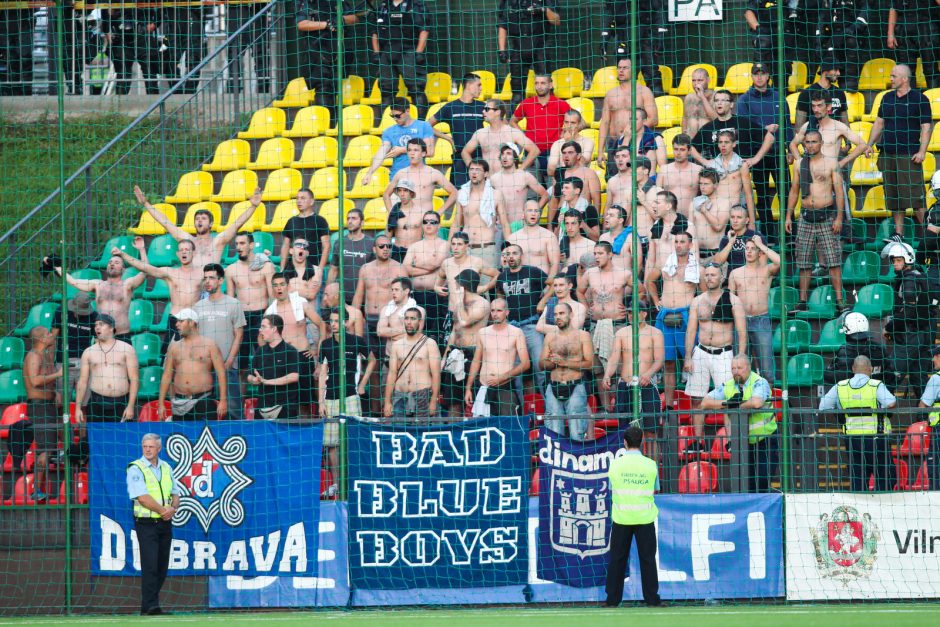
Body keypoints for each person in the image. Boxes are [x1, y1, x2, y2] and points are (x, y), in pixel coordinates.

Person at [868, 64, 935, 237]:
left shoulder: (919, 99)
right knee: (894, 198)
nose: (890, 79)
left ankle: (931, 235)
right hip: (887, 154)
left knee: (916, 199)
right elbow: (879, 122)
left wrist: (922, 151)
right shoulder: (887, 97)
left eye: (893, 76)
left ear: (904, 78)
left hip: (908, 156)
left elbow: (926, 127)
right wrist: (869, 143)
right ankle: (899, 234)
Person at [786, 130, 848, 314]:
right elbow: (794, 191)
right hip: (805, 217)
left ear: (821, 143)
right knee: (804, 261)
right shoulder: (799, 164)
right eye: (807, 142)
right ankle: (802, 301)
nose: (810, 145)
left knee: (834, 261)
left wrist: (839, 217)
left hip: (826, 217)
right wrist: (789, 215)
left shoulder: (831, 163)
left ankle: (839, 300)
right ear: (803, 144)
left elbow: (839, 191)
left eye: (814, 141)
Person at [789, 91, 871, 228]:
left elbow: (862, 144)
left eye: (820, 105)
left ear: (828, 107)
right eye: (813, 106)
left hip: (833, 179)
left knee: (840, 221)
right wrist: (802, 163)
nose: (816, 109)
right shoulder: (808, 126)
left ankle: (842, 245)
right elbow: (792, 144)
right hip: (813, 180)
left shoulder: (838, 126)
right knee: (812, 216)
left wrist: (843, 162)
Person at [684, 263, 748, 437]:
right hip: (701, 352)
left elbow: (742, 332)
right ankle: (698, 441)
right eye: (707, 275)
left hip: (723, 354)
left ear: (721, 278)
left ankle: (729, 441)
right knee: (696, 399)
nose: (709, 278)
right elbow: (691, 331)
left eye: (713, 275)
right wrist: (688, 357)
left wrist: (740, 357)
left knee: (728, 399)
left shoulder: (733, 300)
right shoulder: (697, 301)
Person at [699, 354, 778, 492]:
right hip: (742, 442)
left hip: (765, 439)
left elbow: (757, 402)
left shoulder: (760, 382)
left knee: (763, 479)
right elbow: (705, 403)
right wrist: (726, 403)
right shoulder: (729, 385)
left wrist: (737, 406)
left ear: (749, 367)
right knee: (746, 481)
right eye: (733, 368)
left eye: (739, 368)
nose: (736, 371)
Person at [135, 185, 261, 271]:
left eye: (203, 218)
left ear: (211, 224)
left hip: (210, 290)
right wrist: (146, 204)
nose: (199, 220)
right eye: (197, 218)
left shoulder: (217, 242)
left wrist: (253, 206)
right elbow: (166, 223)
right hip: (191, 289)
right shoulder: (188, 241)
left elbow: (236, 224)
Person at [819, 355, 897, 491]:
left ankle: (862, 508)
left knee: (858, 479)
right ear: (870, 369)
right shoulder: (876, 385)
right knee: (885, 477)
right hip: (876, 438)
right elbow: (891, 403)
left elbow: (823, 406)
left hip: (852, 439)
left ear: (853, 368)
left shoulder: (840, 386)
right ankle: (882, 507)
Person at [605, 426, 663, 608]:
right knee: (647, 559)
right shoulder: (650, 465)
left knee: (617, 560)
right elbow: (656, 488)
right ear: (642, 442)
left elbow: (610, 487)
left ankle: (612, 600)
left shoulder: (615, 465)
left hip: (622, 518)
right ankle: (652, 599)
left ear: (625, 442)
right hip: (645, 518)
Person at [319, 308, 376, 490]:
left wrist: (362, 385)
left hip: (351, 396)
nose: (333, 324)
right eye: (331, 321)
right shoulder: (326, 344)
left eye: (337, 321)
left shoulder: (356, 341)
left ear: (345, 322)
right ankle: (336, 483)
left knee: (353, 440)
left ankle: (354, 481)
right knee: (332, 445)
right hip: (330, 398)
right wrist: (321, 401)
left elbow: (372, 360)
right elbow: (322, 373)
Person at [735, 62, 790, 244]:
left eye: (762, 73)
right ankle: (770, 236)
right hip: (756, 155)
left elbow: (787, 125)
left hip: (778, 154)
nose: (759, 77)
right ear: (752, 76)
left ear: (768, 76)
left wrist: (789, 148)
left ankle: (788, 234)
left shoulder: (778, 98)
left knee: (786, 193)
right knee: (763, 195)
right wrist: (763, 129)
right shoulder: (744, 100)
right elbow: (742, 128)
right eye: (756, 73)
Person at [127, 433, 181, 615]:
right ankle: (151, 606)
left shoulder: (166, 467)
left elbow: (175, 493)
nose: (147, 449)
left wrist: (172, 508)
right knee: (150, 565)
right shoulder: (136, 468)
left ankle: (149, 604)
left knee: (161, 566)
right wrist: (162, 510)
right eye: (145, 446)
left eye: (151, 446)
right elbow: (142, 497)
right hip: (146, 523)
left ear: (159, 449)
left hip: (165, 522)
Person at [646, 230, 699, 407]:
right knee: (668, 362)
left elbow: (705, 294)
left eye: (682, 242)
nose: (678, 245)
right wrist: (656, 300)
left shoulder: (697, 267)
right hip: (666, 314)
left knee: (692, 362)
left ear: (690, 245)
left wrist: (696, 310)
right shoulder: (665, 263)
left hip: (686, 316)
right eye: (676, 242)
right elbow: (649, 281)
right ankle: (668, 405)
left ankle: (695, 406)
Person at [115, 239, 203, 341]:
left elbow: (221, 275)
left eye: (187, 249)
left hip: (194, 320)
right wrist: (123, 254)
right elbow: (145, 268)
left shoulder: (202, 273)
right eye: (181, 250)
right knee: (170, 354)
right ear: (177, 254)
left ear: (194, 253)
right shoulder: (170, 272)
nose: (183, 252)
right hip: (176, 319)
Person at [265, 273, 325, 414]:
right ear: (272, 288)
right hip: (282, 358)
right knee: (284, 403)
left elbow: (322, 325)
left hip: (302, 356)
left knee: (305, 402)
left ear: (288, 286)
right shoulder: (270, 311)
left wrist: (317, 350)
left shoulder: (301, 303)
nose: (279, 288)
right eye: (275, 285)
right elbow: (263, 339)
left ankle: (307, 434)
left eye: (282, 284)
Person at [193, 264, 246, 421]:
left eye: (211, 278)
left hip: (226, 366)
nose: (207, 281)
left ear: (221, 280)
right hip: (204, 369)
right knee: (205, 412)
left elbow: (239, 334)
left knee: (233, 411)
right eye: (205, 278)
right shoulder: (198, 306)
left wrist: (230, 360)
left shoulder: (233, 303)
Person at [603, 301, 665, 433]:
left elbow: (659, 360)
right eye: (629, 312)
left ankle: (651, 454)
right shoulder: (621, 333)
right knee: (625, 431)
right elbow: (614, 358)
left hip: (646, 384)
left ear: (644, 313)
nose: (631, 315)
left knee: (651, 430)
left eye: (634, 312)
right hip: (625, 385)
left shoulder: (655, 333)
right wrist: (607, 375)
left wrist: (648, 374)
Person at [56, 253, 145, 342]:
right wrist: (56, 266)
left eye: (117, 262)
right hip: (102, 337)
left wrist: (142, 249)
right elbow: (73, 281)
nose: (112, 264)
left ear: (123, 269)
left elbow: (145, 271)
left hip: (122, 335)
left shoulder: (127, 285)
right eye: (110, 262)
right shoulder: (97, 284)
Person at [158, 309, 227, 421]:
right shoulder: (174, 347)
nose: (177, 324)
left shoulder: (210, 345)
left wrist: (223, 400)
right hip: (179, 402)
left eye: (181, 321)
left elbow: (221, 373)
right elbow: (166, 376)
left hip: (203, 400)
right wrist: (161, 403)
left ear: (192, 323)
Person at [296, 0, 361, 120]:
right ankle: (325, 123)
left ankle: (335, 125)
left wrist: (340, 20)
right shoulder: (308, 3)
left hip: (339, 50)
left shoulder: (337, 2)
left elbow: (355, 18)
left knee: (335, 86)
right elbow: (301, 24)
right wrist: (326, 24)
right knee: (323, 86)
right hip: (317, 50)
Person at [728, 236, 780, 384]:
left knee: (767, 369)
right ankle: (744, 401)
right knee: (741, 367)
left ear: (759, 253)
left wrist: (761, 245)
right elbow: (730, 301)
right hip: (741, 322)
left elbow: (780, 261)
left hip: (761, 320)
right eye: (747, 249)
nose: (749, 252)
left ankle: (767, 402)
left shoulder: (766, 270)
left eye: (753, 249)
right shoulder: (735, 273)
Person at [465, 298, 530, 417]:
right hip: (483, 387)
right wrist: (468, 387)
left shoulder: (516, 332)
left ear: (507, 312)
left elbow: (526, 364)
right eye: (492, 311)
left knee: (508, 427)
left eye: (499, 310)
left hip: (505, 386)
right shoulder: (482, 332)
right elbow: (476, 361)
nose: (495, 314)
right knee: (481, 429)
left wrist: (501, 378)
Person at [499, 244, 549, 394]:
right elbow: (500, 296)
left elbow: (552, 284)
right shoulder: (502, 277)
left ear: (521, 256)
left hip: (531, 325)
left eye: (514, 253)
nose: (511, 257)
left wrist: (543, 300)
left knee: (540, 368)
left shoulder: (532, 272)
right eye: (508, 254)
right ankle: (518, 414)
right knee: (514, 372)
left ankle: (550, 411)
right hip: (512, 328)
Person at [883, 241, 933, 391]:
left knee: (890, 376)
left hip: (910, 337)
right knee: (919, 378)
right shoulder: (920, 276)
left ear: (908, 260)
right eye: (894, 261)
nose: (895, 264)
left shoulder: (909, 280)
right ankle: (924, 415)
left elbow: (908, 312)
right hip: (923, 334)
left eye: (898, 260)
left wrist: (889, 328)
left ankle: (881, 414)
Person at [441, 269, 492, 418]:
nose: (455, 288)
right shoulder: (459, 305)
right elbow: (455, 331)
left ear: (463, 286)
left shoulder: (482, 303)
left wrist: (458, 300)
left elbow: (465, 321)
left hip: (474, 355)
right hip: (455, 354)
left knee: (472, 400)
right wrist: (445, 356)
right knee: (453, 400)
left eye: (457, 284)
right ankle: (453, 432)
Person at [540, 303, 593, 439]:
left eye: (562, 313)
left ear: (571, 314)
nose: (558, 317)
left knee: (577, 433)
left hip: (576, 385)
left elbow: (589, 364)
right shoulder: (550, 337)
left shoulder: (583, 336)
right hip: (553, 386)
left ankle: (577, 459)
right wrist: (553, 362)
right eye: (556, 314)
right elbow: (541, 364)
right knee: (554, 434)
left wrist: (564, 362)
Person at [689, 90, 775, 175]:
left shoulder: (743, 122)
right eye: (716, 100)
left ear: (731, 104)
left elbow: (770, 137)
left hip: (741, 173)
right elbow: (691, 147)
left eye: (723, 100)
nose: (719, 103)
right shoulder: (708, 127)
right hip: (719, 175)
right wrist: (705, 161)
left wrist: (756, 159)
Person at [225, 232, 275, 376]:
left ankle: (267, 396)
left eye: (242, 243)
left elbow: (272, 296)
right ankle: (241, 399)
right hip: (242, 317)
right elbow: (230, 299)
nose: (239, 247)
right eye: (236, 244)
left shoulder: (266, 266)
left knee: (265, 359)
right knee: (242, 363)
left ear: (251, 245)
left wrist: (268, 319)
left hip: (261, 314)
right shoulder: (231, 269)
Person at [74, 314, 139, 424]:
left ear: (111, 328)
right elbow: (82, 382)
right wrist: (77, 407)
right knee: (97, 439)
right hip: (96, 402)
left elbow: (134, 379)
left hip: (121, 403)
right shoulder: (88, 352)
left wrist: (130, 406)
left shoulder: (126, 349)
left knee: (122, 439)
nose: (97, 327)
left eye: (101, 324)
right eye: (95, 325)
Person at [371, 0, 430, 117]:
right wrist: (376, 53)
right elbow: (374, 32)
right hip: (386, 51)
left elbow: (424, 29)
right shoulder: (383, 7)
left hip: (408, 50)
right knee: (386, 90)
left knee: (416, 88)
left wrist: (418, 52)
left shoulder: (415, 5)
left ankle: (421, 123)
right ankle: (386, 123)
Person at [23, 327, 63, 502]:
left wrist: (56, 393)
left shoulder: (45, 355)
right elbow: (35, 381)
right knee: (45, 448)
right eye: (47, 333)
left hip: (48, 405)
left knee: (50, 446)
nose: (50, 335)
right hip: (39, 407)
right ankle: (36, 489)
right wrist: (59, 374)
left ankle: (40, 487)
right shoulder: (33, 356)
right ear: (40, 338)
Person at [353, 234, 406, 363]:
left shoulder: (399, 268)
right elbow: (359, 295)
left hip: (389, 320)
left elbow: (406, 299)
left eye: (388, 246)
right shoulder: (365, 269)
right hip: (369, 320)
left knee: (390, 360)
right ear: (374, 249)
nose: (385, 249)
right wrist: (353, 317)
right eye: (381, 246)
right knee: (372, 362)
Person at [598, 58, 659, 171]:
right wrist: (600, 151)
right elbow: (605, 122)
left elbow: (653, 119)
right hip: (615, 143)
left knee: (637, 177)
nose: (621, 71)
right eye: (619, 68)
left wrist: (632, 129)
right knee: (614, 179)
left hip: (636, 142)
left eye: (625, 68)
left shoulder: (644, 92)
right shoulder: (610, 94)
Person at [428, 73, 486, 188]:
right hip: (459, 159)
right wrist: (448, 138)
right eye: (478, 85)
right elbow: (427, 126)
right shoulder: (450, 107)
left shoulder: (482, 106)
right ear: (469, 85)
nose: (481, 88)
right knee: (460, 198)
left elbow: (499, 123)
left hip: (479, 159)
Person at [498, 2, 561, 107]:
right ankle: (515, 119)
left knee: (545, 88)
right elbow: (502, 25)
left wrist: (544, 10)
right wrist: (501, 50)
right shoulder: (508, 2)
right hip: (517, 47)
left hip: (540, 46)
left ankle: (549, 118)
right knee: (517, 93)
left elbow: (557, 20)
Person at [453, 159, 511, 270]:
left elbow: (505, 224)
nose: (474, 173)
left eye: (478, 170)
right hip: (465, 249)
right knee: (464, 286)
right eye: (471, 169)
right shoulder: (462, 194)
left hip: (487, 248)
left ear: (486, 174)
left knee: (487, 285)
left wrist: (510, 247)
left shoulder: (496, 195)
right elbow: (456, 223)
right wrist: (450, 248)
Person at [600, 0, 668, 96]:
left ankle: (657, 106)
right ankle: (628, 107)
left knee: (653, 77)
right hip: (623, 39)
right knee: (625, 78)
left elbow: (658, 12)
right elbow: (608, 14)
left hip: (645, 39)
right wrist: (604, 39)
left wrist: (660, 37)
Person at [384, 308, 441, 419]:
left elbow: (436, 375)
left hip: (422, 396)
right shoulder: (396, 345)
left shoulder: (430, 344)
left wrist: (434, 401)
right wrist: (387, 401)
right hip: (400, 396)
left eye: (413, 318)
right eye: (406, 318)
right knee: (399, 433)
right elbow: (391, 374)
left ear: (420, 321)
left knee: (423, 432)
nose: (409, 322)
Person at [385, 139, 458, 226]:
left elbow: (454, 193)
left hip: (426, 223)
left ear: (423, 153)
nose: (412, 153)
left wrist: (439, 212)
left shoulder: (433, 173)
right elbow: (386, 194)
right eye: (409, 150)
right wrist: (392, 214)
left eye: (416, 150)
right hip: (406, 222)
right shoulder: (401, 174)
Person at [364, 96, 436, 182]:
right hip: (397, 178)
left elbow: (430, 151)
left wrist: (403, 150)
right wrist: (369, 173)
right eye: (392, 116)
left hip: (419, 178)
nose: (395, 119)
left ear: (407, 111)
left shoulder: (424, 126)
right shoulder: (389, 131)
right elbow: (381, 152)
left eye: (397, 116)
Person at [403, 210, 450, 340]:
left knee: (435, 335)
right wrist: (428, 270)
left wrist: (416, 265)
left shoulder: (444, 244)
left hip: (436, 296)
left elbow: (435, 263)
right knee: (417, 332)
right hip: (416, 295)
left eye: (433, 222)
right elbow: (405, 268)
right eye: (425, 221)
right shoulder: (414, 246)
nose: (428, 224)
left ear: (439, 225)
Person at [511, 73, 569, 174]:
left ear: (550, 85)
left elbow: (579, 122)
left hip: (554, 153)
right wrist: (524, 138)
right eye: (537, 83)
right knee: (532, 188)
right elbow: (512, 121)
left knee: (553, 188)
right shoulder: (527, 103)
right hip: (531, 153)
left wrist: (565, 133)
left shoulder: (561, 104)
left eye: (543, 83)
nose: (539, 86)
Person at [248, 314, 302, 419]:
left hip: (285, 407)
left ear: (274, 329)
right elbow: (250, 375)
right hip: (263, 406)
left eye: (263, 327)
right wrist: (255, 380)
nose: (260, 330)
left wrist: (267, 381)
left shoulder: (290, 351)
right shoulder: (260, 351)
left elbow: (294, 376)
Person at [463, 100, 539, 174]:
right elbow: (465, 152)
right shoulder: (480, 133)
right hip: (488, 182)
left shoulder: (513, 132)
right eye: (483, 109)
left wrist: (520, 171)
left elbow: (534, 150)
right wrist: (474, 169)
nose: (483, 111)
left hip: (507, 182)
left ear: (498, 112)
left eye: (487, 109)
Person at [489, 143, 550, 229]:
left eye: (508, 153)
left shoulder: (525, 176)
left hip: (520, 225)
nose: (504, 157)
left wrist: (533, 213)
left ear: (515, 157)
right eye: (502, 154)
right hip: (500, 225)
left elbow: (545, 195)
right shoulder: (494, 179)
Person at [436, 231, 500, 314]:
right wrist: (436, 288)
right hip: (452, 312)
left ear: (467, 246)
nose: (455, 247)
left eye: (459, 244)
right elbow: (438, 282)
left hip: (472, 312)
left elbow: (498, 275)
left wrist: (485, 287)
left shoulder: (477, 262)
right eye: (453, 244)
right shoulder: (446, 263)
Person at [99, 8, 159, 95]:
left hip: (142, 31)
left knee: (149, 70)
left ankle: (155, 104)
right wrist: (108, 32)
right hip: (120, 33)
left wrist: (154, 24)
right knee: (123, 73)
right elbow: (104, 11)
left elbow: (160, 8)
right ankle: (119, 105)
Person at [52, 291, 98, 401]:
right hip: (62, 360)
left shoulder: (94, 316)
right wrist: (51, 362)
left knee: (83, 402)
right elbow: (52, 337)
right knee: (61, 402)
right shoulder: (60, 311)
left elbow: (98, 342)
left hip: (84, 362)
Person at [814, 0, 869, 91]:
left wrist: (853, 28)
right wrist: (819, 39)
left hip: (853, 36)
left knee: (851, 43)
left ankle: (850, 87)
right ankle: (830, 90)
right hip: (833, 37)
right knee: (827, 49)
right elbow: (823, 17)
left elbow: (865, 11)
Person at [887, 0, 940, 90]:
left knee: (930, 69)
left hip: (926, 27)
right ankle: (909, 102)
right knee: (906, 71)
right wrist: (890, 33)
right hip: (904, 28)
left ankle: (935, 100)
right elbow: (893, 8)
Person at [280, 187, 331, 274]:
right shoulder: (291, 221)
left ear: (311, 201)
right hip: (292, 270)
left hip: (312, 269)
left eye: (303, 198)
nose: (299, 201)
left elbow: (326, 246)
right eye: (297, 198)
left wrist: (320, 269)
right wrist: (282, 268)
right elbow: (286, 246)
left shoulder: (320, 220)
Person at [328, 208, 373, 304]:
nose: (350, 221)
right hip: (342, 297)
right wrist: (328, 291)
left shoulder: (371, 243)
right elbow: (333, 270)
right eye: (348, 218)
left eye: (354, 218)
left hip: (365, 297)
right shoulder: (339, 242)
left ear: (362, 222)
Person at [508, 200, 560, 278]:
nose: (533, 213)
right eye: (530, 210)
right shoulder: (513, 238)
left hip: (542, 283)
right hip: (520, 283)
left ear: (539, 214)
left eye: (536, 211)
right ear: (523, 214)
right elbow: (506, 265)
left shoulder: (549, 236)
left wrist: (549, 287)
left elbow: (555, 264)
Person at [161, 3, 206, 94]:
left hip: (192, 17)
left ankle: (190, 93)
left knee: (193, 59)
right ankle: (177, 92)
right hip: (172, 20)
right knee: (168, 60)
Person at [227, 1, 270, 92]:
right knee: (234, 56)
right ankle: (233, 91)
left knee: (261, 55)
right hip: (236, 14)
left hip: (258, 14)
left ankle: (263, 90)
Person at [690, 168, 733, 259]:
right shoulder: (694, 203)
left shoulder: (724, 203)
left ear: (716, 185)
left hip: (715, 254)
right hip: (696, 254)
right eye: (701, 183)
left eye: (706, 184)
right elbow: (690, 230)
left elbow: (718, 227)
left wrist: (704, 210)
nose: (702, 187)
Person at [657, 134, 702, 218]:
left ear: (689, 151)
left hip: (690, 219)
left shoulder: (698, 170)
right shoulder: (664, 170)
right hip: (667, 219)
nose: (678, 153)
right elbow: (657, 196)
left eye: (682, 149)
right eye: (676, 149)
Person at [549, 141, 603, 209]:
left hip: (582, 216)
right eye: (564, 153)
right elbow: (554, 201)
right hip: (561, 216)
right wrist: (551, 220)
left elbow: (597, 201)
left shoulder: (589, 173)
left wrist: (594, 219)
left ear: (578, 155)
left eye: (570, 153)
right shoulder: (559, 172)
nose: (566, 156)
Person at [377, 277, 423, 356]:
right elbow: (380, 331)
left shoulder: (419, 310)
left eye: (396, 290)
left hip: (410, 358)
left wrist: (390, 334)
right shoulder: (386, 309)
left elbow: (415, 334)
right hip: (389, 357)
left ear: (406, 291)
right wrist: (405, 330)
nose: (393, 293)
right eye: (392, 290)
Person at [711, 205, 763, 275]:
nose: (735, 221)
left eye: (739, 217)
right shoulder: (726, 239)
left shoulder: (756, 237)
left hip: (751, 276)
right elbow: (717, 262)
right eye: (732, 217)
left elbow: (763, 265)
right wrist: (730, 243)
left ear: (747, 220)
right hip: (731, 277)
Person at [551, 177, 601, 241]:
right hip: (564, 248)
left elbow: (596, 238)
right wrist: (559, 224)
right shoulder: (561, 211)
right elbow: (554, 239)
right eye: (563, 188)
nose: (562, 190)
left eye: (566, 188)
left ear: (577, 191)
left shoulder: (589, 209)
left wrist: (582, 223)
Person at [547, 110, 595, 175]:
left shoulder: (588, 142)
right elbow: (550, 171)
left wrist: (570, 142)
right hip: (562, 180)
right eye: (566, 122)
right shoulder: (557, 144)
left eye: (573, 123)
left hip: (581, 180)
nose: (569, 126)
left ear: (579, 124)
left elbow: (583, 164)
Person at [917, 346, 940, 484]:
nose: (932, 359)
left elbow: (923, 405)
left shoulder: (936, 379)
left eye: (935, 356)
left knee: (936, 467)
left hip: (939, 430)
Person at [681, 68, 718, 139]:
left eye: (700, 80)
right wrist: (683, 138)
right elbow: (685, 118)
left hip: (711, 136)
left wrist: (703, 97)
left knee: (702, 122)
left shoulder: (716, 96)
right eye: (693, 80)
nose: (696, 83)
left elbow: (716, 119)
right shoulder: (689, 98)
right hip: (691, 137)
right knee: (692, 122)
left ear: (708, 80)